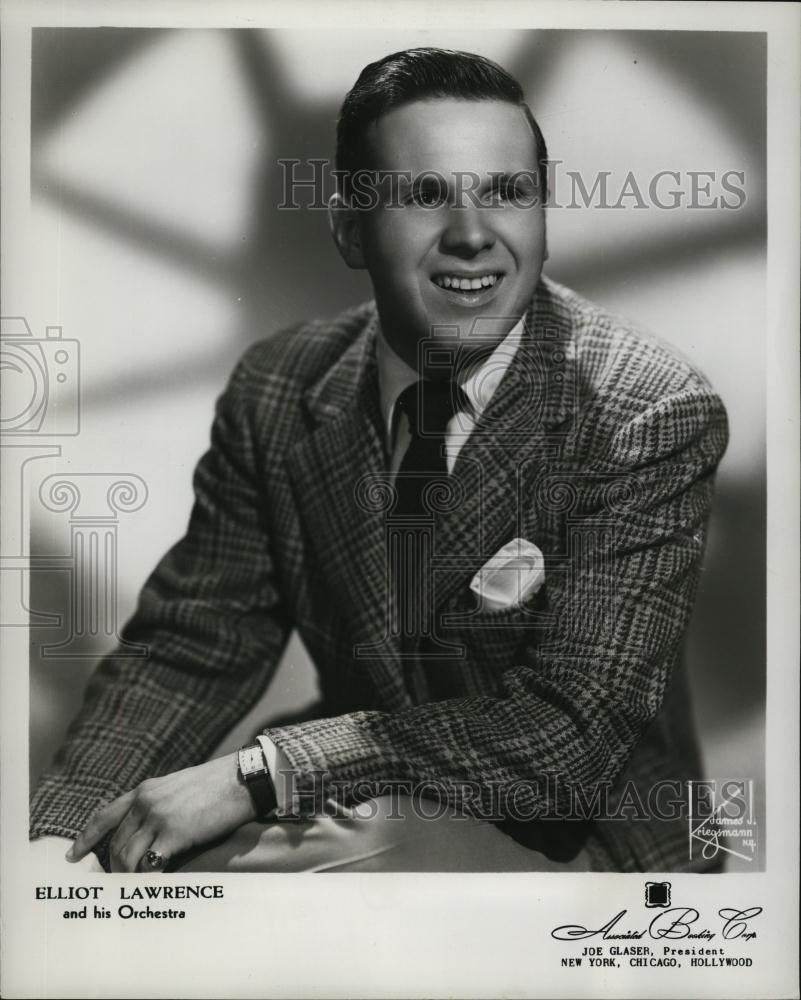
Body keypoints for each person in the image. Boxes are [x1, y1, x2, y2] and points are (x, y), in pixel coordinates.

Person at [30, 47, 728, 874]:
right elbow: (195, 646)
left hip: (592, 848)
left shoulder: (646, 406)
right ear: (349, 229)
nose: (472, 237)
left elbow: (563, 742)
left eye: (507, 192)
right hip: (358, 798)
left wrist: (268, 770)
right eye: (422, 196)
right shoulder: (278, 386)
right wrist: (58, 842)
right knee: (140, 873)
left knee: (287, 873)